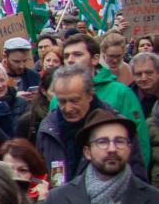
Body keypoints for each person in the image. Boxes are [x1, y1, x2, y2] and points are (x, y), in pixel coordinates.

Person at [61, 32, 149, 168]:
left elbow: (139, 140)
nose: (70, 60)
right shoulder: (58, 98)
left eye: (77, 54)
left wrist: (137, 176)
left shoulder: (121, 93)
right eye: (66, 56)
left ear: (95, 59)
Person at [35, 65, 110, 185]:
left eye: (74, 101)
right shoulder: (47, 130)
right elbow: (40, 176)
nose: (68, 108)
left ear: (90, 95)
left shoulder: (114, 127)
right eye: (62, 101)